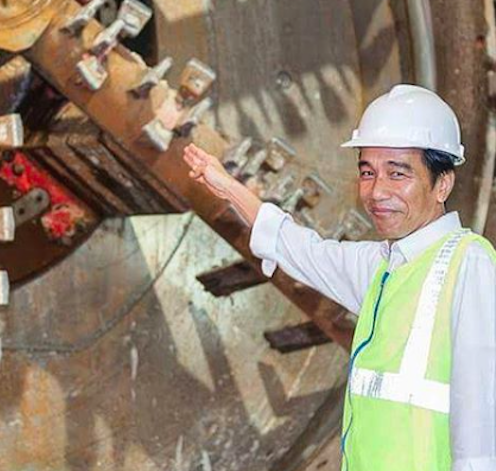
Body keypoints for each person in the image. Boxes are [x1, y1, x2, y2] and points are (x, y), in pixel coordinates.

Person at [183, 84, 496, 471]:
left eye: (397, 174)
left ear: (442, 183)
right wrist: (229, 188)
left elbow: (481, 424)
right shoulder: (382, 267)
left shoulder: (469, 263)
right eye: (367, 172)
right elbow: (299, 249)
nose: (377, 191)